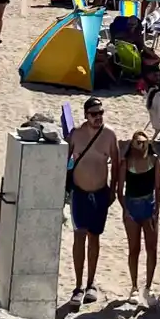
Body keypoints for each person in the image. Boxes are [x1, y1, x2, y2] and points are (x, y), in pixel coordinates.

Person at [68, 98, 120, 306]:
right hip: (79, 193)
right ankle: (78, 285)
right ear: (86, 115)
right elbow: (64, 160)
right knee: (79, 237)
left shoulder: (109, 135)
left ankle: (91, 283)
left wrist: (114, 190)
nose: (98, 117)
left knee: (94, 237)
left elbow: (116, 164)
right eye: (94, 114)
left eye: (101, 113)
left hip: (100, 193)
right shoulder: (76, 135)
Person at [116, 130, 160, 306]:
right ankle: (134, 287)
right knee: (134, 249)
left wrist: (156, 212)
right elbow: (120, 190)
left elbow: (158, 188)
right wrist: (126, 210)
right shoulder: (126, 163)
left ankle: (148, 287)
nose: (141, 146)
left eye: (144, 142)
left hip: (149, 206)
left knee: (152, 248)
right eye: (138, 143)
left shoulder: (155, 161)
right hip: (132, 207)